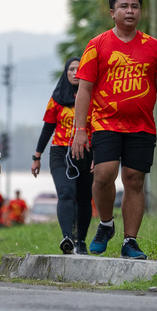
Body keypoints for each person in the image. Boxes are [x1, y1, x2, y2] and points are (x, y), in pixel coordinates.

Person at [71, 0, 157, 260]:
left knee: (134, 180)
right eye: (124, 6)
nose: (130, 11)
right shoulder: (97, 45)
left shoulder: (154, 47)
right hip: (105, 123)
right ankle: (106, 223)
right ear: (112, 13)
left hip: (142, 127)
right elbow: (84, 89)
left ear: (140, 11)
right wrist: (80, 130)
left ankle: (130, 241)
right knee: (103, 174)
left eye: (135, 6)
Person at [32, 57, 93, 254]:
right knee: (66, 193)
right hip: (61, 152)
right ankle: (67, 238)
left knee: (84, 198)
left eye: (79, 69)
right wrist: (37, 157)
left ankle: (81, 241)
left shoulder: (93, 98)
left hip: (87, 153)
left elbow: (100, 128)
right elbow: (47, 129)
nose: (75, 73)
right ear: (66, 73)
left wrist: (98, 156)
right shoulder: (57, 99)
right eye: (71, 69)